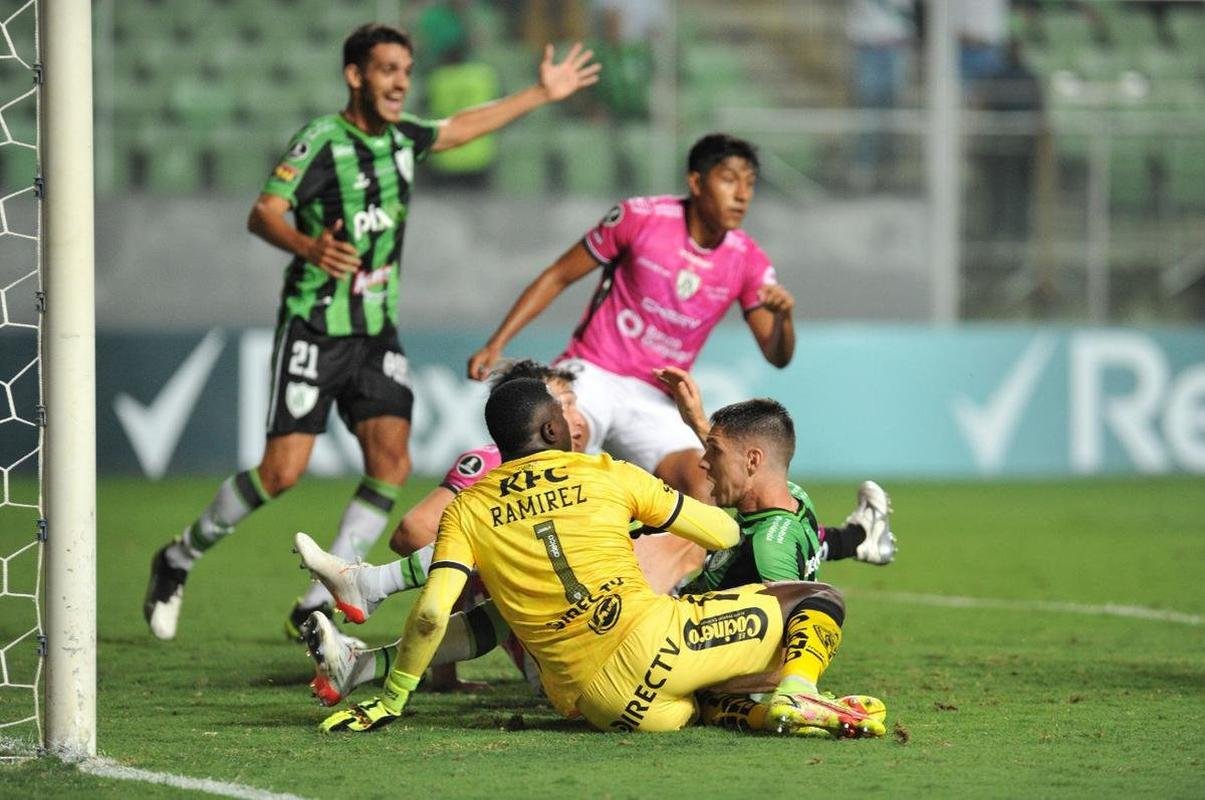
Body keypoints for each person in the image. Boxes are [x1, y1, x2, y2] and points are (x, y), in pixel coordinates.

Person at [142, 23, 601, 642]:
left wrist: (541, 93)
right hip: (315, 326)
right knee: (281, 472)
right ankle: (178, 557)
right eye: (387, 70)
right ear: (355, 75)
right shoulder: (322, 141)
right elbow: (263, 212)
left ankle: (317, 601)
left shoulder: (404, 138)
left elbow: (460, 128)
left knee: (391, 461)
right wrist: (309, 247)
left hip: (375, 331)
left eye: (406, 71)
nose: (400, 82)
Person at [318, 378, 886, 736]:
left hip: (599, 707)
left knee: (693, 700)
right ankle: (796, 692)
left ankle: (367, 644)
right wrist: (641, 517)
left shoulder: (468, 508)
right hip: (653, 648)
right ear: (552, 428)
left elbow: (430, 613)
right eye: (565, 412)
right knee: (817, 598)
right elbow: (721, 530)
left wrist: (394, 700)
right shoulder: (605, 473)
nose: (575, 420)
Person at [466, 133, 794, 584]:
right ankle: (485, 544)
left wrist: (785, 318)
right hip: (595, 371)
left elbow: (777, 354)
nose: (741, 194)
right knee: (556, 445)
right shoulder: (641, 217)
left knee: (704, 486)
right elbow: (559, 275)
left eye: (750, 183)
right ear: (696, 182)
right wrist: (497, 341)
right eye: (729, 179)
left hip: (656, 398)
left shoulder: (748, 260)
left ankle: (650, 593)